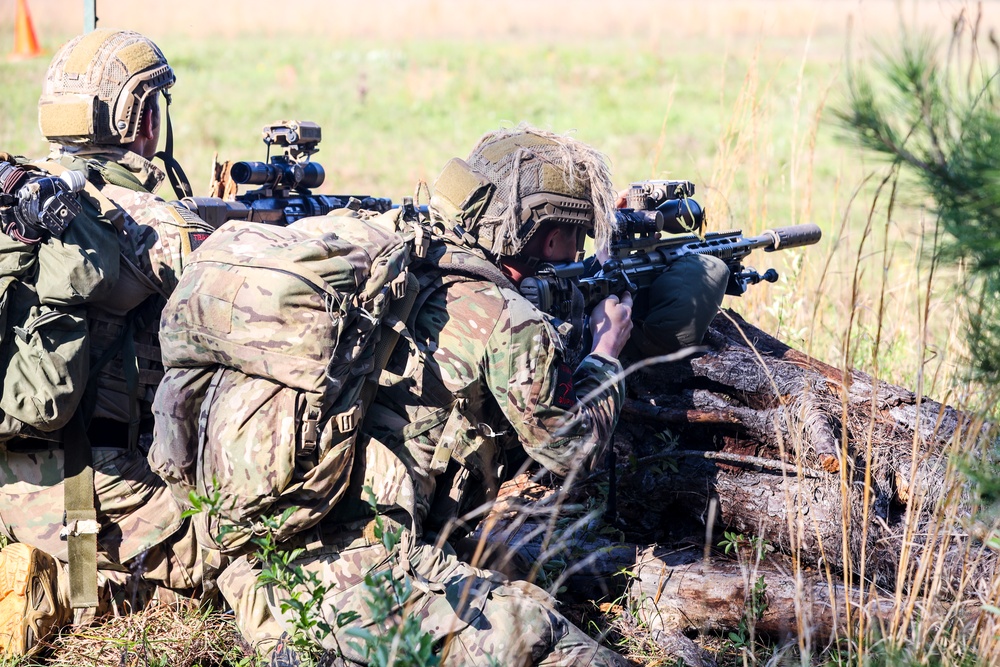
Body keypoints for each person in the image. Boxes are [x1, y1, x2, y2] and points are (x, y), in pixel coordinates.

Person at [217, 126, 636, 666]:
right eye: (574, 231)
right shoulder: (506, 319)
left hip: (265, 573)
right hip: (363, 584)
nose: (576, 248)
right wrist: (605, 352)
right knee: (548, 642)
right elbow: (569, 448)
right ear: (546, 231)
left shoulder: (401, 258)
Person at [0, 28, 214, 656]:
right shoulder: (139, 220)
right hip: (85, 490)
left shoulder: (25, 200)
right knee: (240, 552)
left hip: (14, 472)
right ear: (144, 117)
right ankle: (70, 586)